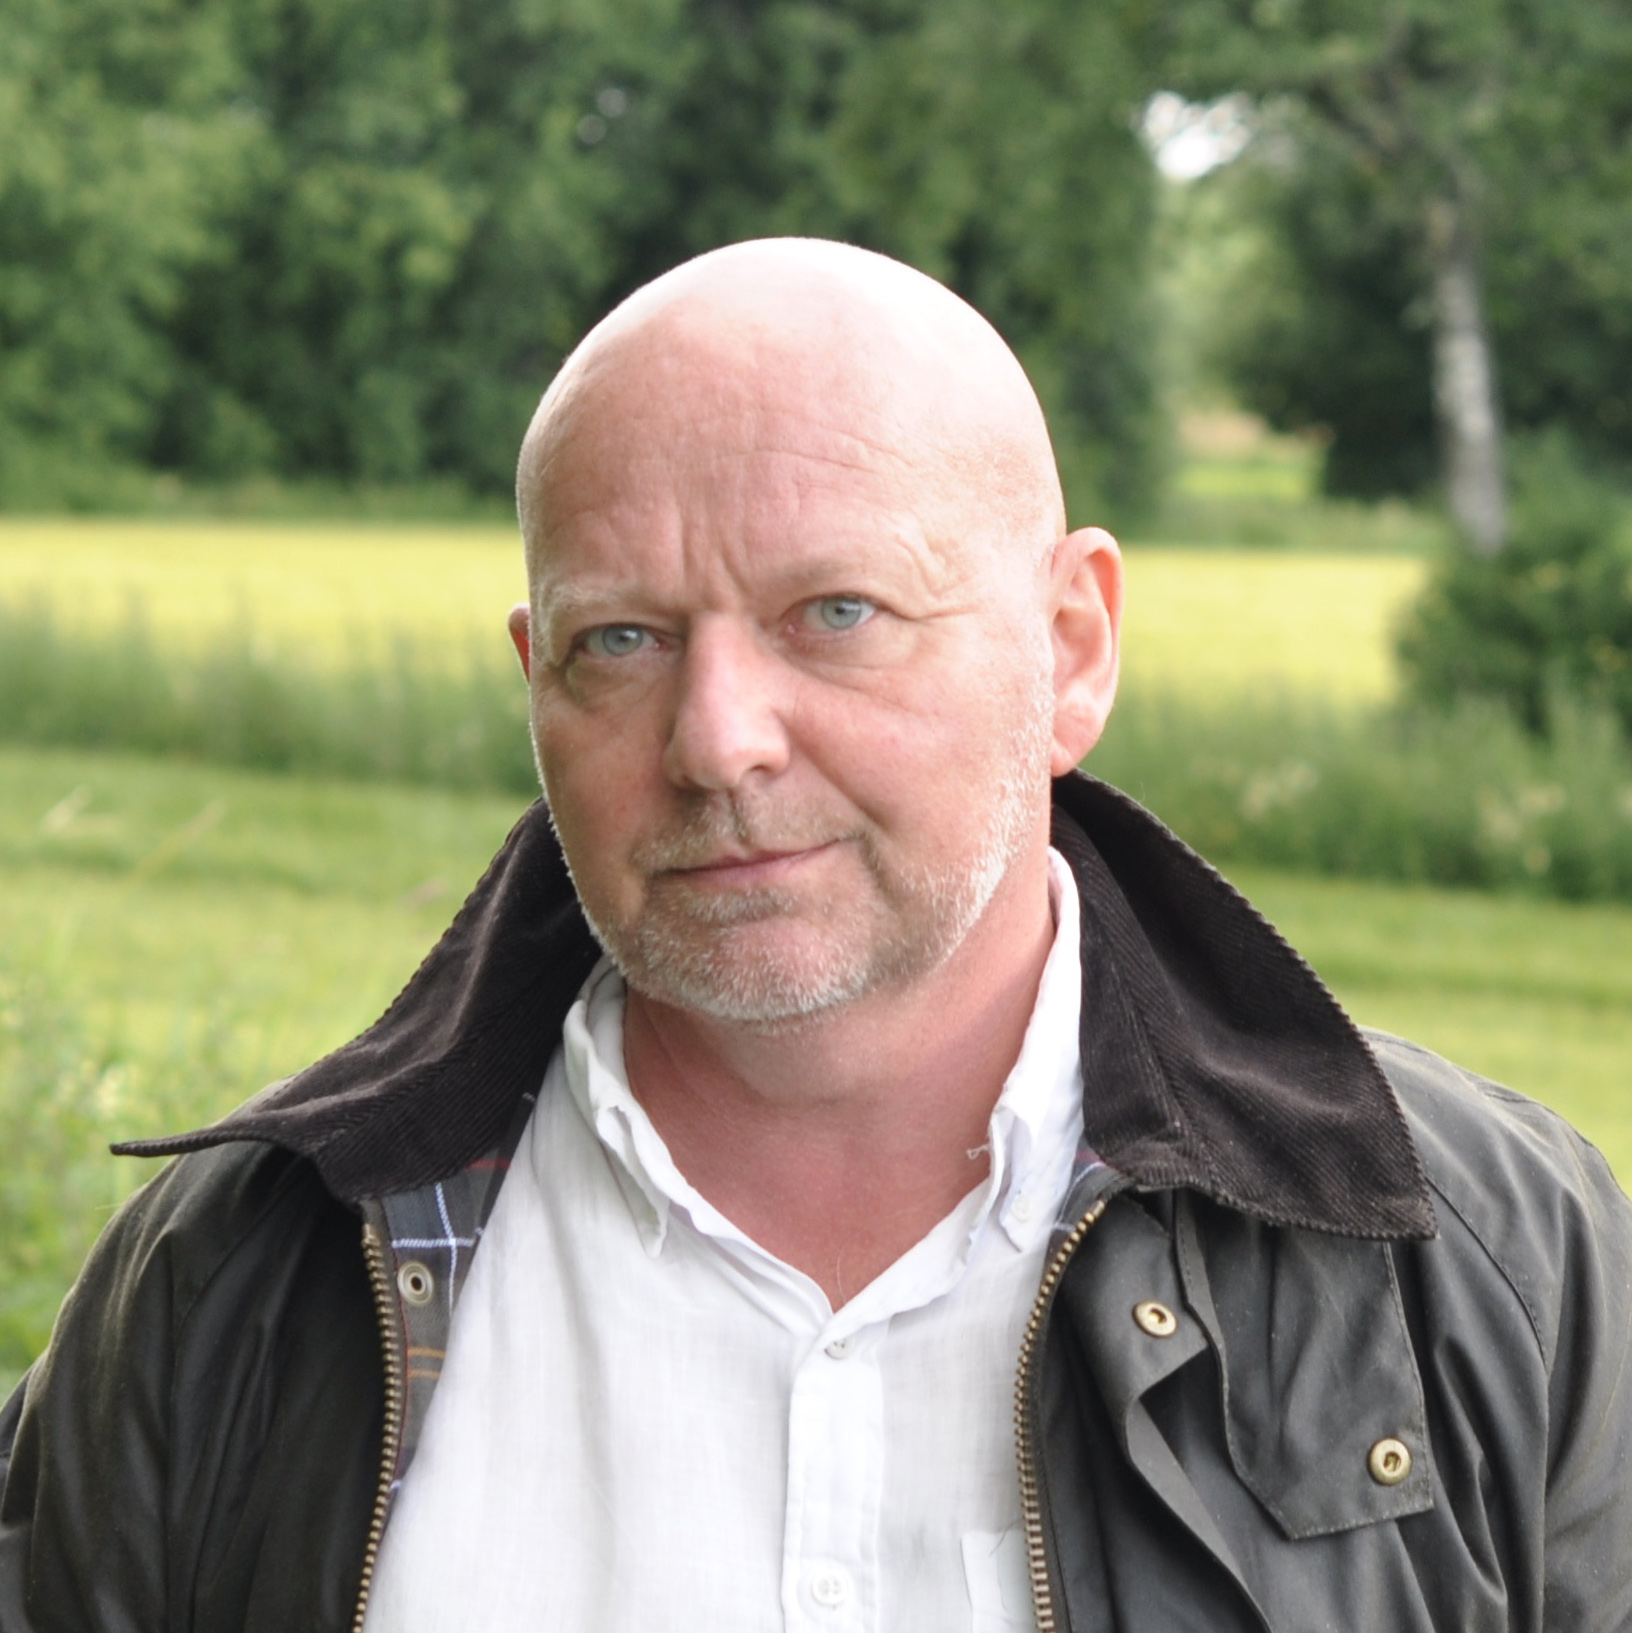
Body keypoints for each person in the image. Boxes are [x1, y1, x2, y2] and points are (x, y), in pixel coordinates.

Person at [2, 238, 1630, 1633]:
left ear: (1071, 646)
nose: (719, 740)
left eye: (836, 613)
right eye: (620, 640)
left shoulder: (1490, 1267)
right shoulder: (231, 1287)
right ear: (532, 676)